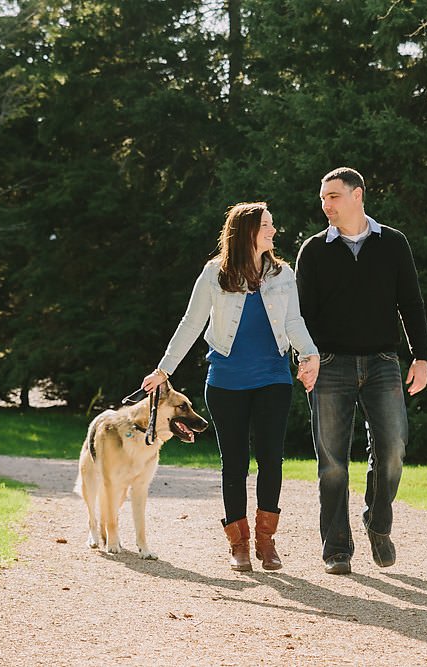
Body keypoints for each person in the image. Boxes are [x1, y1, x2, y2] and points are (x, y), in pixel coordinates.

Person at [140, 202, 320, 572]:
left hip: (273, 379)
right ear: (247, 231)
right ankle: (238, 544)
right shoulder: (214, 274)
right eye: (266, 225)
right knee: (233, 464)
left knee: (271, 459)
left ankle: (266, 542)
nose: (273, 231)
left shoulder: (282, 274)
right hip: (225, 383)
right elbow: (191, 324)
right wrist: (163, 370)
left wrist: (310, 354)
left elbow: (294, 321)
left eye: (272, 224)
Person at [295, 167, 427, 575]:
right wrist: (305, 359)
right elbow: (301, 315)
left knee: (393, 451)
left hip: (383, 363)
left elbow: (411, 302)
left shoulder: (393, 243)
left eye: (333, 196)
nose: (326, 205)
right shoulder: (314, 250)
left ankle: (378, 521)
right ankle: (337, 548)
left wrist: (420, 356)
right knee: (332, 461)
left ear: (358, 196)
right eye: (323, 199)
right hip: (329, 365)